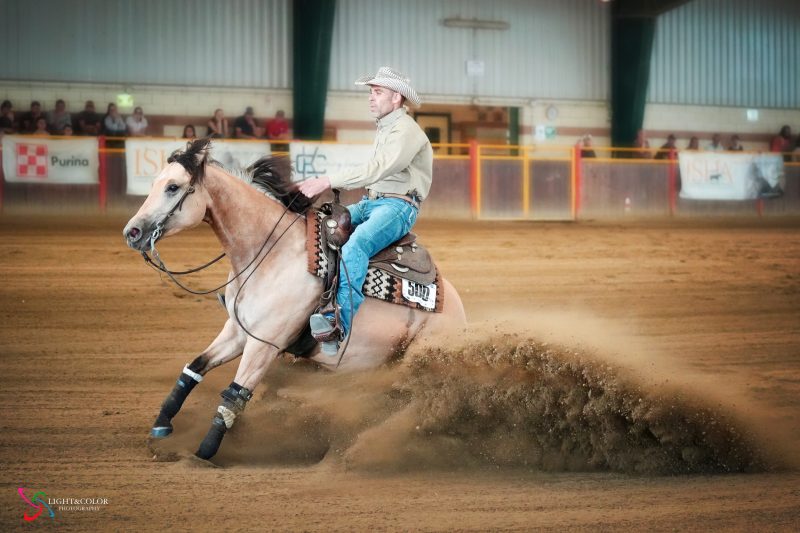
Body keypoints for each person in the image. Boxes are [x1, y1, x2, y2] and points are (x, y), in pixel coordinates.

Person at [298, 67, 431, 355]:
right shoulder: (387, 129)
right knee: (318, 225)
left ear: (396, 98)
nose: (371, 97)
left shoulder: (406, 131)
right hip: (373, 202)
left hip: (399, 206)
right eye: (371, 92)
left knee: (356, 245)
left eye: (377, 92)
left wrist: (328, 180)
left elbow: (377, 169)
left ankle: (338, 325)